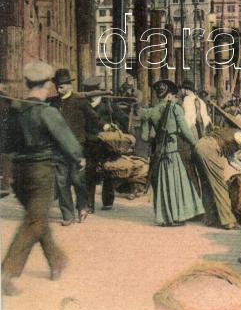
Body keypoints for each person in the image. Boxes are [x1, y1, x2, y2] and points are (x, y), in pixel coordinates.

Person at [2, 62, 85, 296]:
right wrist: (78, 158)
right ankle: (7, 272)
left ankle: (56, 261)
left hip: (18, 172)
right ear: (48, 84)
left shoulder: (16, 111)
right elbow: (67, 140)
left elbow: (6, 144)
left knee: (36, 218)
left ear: (27, 83)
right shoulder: (47, 112)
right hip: (41, 172)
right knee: (34, 222)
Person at [141, 80, 204, 227]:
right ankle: (178, 216)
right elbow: (186, 131)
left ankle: (165, 218)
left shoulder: (150, 112)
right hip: (174, 151)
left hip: (160, 153)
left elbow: (144, 137)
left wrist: (146, 122)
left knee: (164, 185)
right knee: (176, 183)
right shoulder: (175, 109)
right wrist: (196, 144)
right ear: (169, 95)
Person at [50, 68, 102, 225]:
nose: (59, 90)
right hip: (59, 149)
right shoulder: (53, 103)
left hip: (77, 148)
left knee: (77, 180)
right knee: (61, 182)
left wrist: (106, 126)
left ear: (69, 86)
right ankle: (67, 215)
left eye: (62, 87)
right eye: (57, 86)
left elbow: (94, 117)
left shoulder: (80, 102)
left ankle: (83, 207)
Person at [193, 121, 241, 229]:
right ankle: (229, 222)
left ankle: (210, 218)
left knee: (207, 184)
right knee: (220, 185)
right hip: (209, 149)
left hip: (200, 145)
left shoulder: (231, 133)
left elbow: (232, 160)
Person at [82, 75, 130, 211]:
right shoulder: (85, 104)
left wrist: (121, 134)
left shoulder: (107, 104)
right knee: (89, 173)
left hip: (106, 144)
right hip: (90, 143)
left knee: (108, 170)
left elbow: (123, 118)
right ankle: (89, 205)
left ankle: (107, 201)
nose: (90, 97)